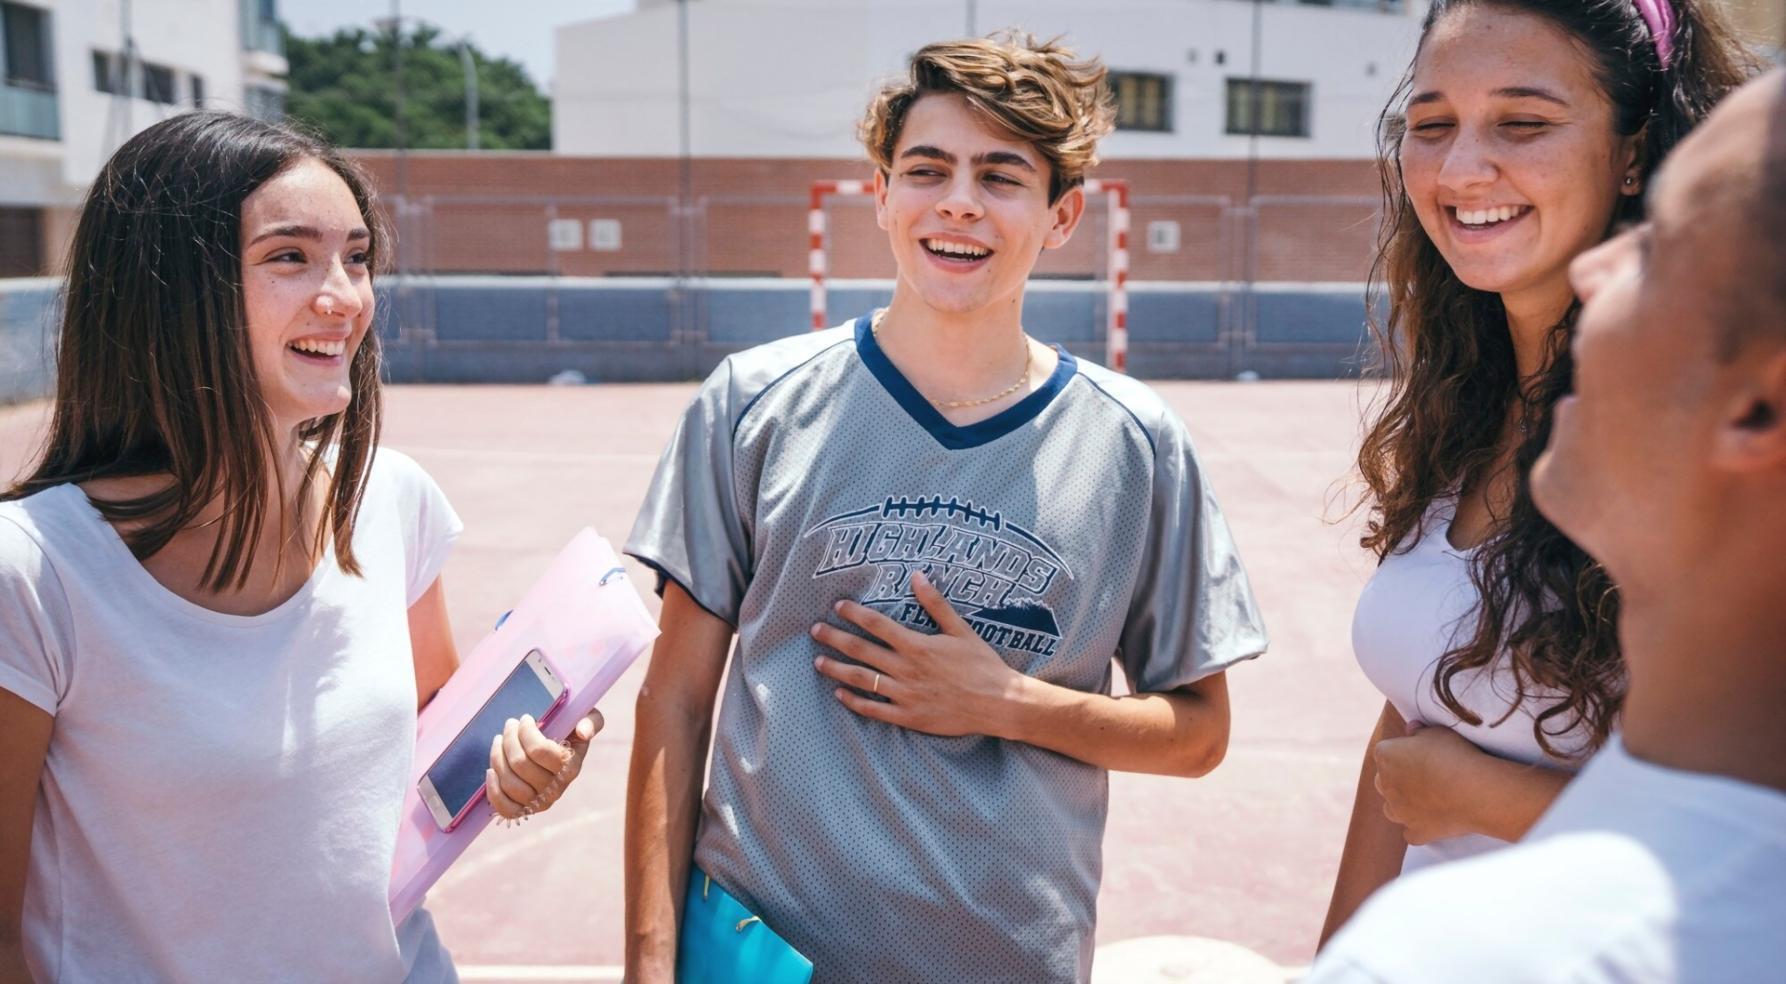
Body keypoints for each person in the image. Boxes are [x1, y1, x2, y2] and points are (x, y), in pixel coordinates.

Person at [622, 33, 1267, 984]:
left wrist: (1003, 702)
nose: (959, 199)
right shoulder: (751, 404)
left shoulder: (1135, 442)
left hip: (1007, 958)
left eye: (1001, 176)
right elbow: (674, 699)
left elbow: (1200, 735)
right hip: (764, 956)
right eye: (928, 169)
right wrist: (647, 963)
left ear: (1061, 216)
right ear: (881, 194)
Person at [0, 112, 597, 983]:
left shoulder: (390, 499)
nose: (346, 297)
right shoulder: (32, 573)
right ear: (168, 291)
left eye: (356, 257)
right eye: (290, 257)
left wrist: (521, 762)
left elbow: (436, 744)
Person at [1309, 66, 1786, 983]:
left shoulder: (1530, 945)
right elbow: (1411, 722)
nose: (1605, 266)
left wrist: (1495, 798)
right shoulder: (1462, 411)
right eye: (1431, 122)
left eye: (1665, 248)